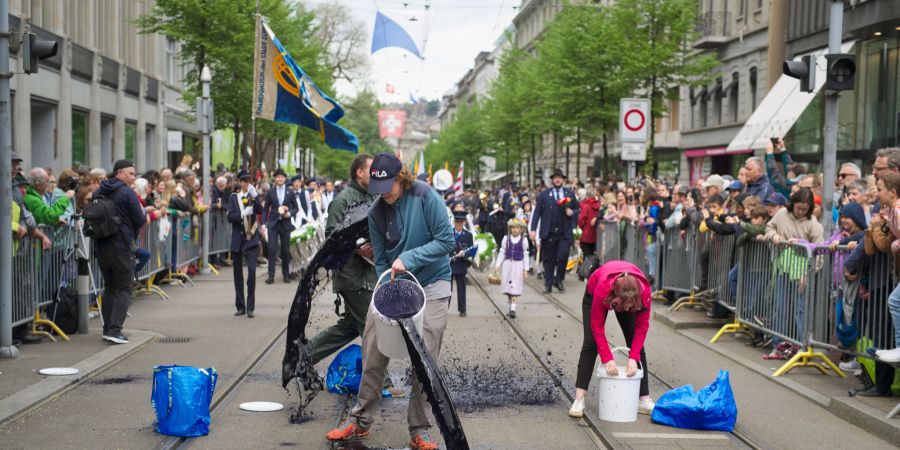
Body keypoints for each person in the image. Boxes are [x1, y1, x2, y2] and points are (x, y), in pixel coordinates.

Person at [327, 153, 454, 450]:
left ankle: (419, 430)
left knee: (425, 358)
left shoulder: (425, 196)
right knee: (372, 347)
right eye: (377, 189)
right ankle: (360, 421)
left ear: (401, 178)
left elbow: (446, 241)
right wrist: (389, 287)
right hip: (397, 282)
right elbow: (383, 260)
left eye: (388, 188)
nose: (382, 195)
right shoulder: (376, 212)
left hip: (433, 283)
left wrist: (409, 258)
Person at [308, 154, 378, 364]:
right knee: (373, 327)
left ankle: (302, 357)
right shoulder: (342, 200)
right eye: (372, 171)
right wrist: (358, 248)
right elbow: (332, 237)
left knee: (348, 327)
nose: (376, 176)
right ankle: (379, 380)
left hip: (369, 275)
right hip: (352, 277)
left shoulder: (373, 197)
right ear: (359, 172)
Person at [569, 260, 654, 418]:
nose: (627, 310)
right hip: (594, 294)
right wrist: (607, 358)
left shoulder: (643, 293)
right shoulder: (603, 287)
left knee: (636, 345)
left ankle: (643, 399)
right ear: (614, 298)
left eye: (630, 308)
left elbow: (642, 328)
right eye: (624, 307)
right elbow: (597, 326)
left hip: (627, 297)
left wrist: (633, 358)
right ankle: (579, 399)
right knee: (591, 343)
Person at [94, 160, 146, 344]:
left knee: (110, 287)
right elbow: (140, 219)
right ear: (120, 173)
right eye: (131, 174)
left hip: (101, 245)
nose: (133, 178)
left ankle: (107, 328)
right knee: (124, 288)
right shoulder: (127, 193)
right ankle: (115, 331)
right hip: (121, 245)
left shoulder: (100, 190)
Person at [530, 168, 580, 293]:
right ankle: (548, 283)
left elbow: (578, 209)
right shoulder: (544, 195)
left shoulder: (569, 194)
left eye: (560, 178)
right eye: (555, 178)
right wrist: (533, 229)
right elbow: (537, 213)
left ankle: (559, 279)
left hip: (564, 232)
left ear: (563, 180)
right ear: (552, 180)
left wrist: (572, 212)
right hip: (548, 232)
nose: (557, 180)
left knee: (563, 256)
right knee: (548, 259)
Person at [227, 170, 263, 318]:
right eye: (244, 181)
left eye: (249, 181)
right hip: (237, 239)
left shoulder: (253, 196)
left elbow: (260, 210)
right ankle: (240, 306)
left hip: (251, 239)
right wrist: (242, 215)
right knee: (238, 275)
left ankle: (250, 308)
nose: (247, 183)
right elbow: (230, 216)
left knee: (252, 273)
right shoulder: (233, 198)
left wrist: (255, 197)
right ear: (240, 183)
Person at [264, 168, 297, 284]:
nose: (280, 179)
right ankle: (271, 275)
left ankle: (286, 274)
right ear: (275, 179)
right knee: (272, 249)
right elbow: (265, 208)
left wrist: (289, 213)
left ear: (285, 179)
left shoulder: (290, 192)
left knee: (285, 250)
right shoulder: (270, 192)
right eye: (278, 177)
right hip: (273, 224)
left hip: (285, 224)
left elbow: (295, 208)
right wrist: (264, 223)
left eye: (282, 177)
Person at [495, 218, 530, 318]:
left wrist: (525, 269)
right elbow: (502, 252)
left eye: (517, 228)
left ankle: (513, 309)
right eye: (513, 228)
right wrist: (498, 265)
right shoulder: (506, 239)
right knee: (508, 288)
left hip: (518, 266)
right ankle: (511, 307)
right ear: (510, 228)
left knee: (515, 287)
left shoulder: (524, 240)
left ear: (521, 229)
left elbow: (525, 254)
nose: (515, 230)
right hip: (507, 266)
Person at [450, 210, 477, 317]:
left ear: (464, 222)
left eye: (461, 222)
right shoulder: (449, 232)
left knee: (462, 289)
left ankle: (462, 309)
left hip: (461, 264)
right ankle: (444, 308)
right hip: (450, 264)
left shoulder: (468, 235)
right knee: (447, 290)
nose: (459, 224)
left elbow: (472, 251)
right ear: (454, 222)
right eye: (457, 221)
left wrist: (464, 255)